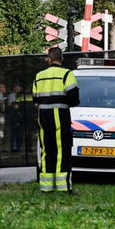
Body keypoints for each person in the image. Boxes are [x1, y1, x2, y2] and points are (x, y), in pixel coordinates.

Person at [33, 47, 80, 193]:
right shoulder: (67, 74)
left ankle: (46, 187)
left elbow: (35, 98)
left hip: (43, 116)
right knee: (62, 150)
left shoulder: (39, 76)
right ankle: (63, 187)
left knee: (46, 150)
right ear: (61, 59)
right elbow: (74, 98)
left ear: (49, 59)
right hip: (60, 115)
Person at [7, 84, 28, 153]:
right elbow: (14, 106)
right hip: (14, 116)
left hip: (20, 117)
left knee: (20, 134)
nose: (18, 88)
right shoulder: (12, 96)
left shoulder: (21, 95)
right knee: (14, 133)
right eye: (16, 87)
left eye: (19, 87)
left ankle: (18, 147)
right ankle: (14, 148)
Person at [0, 83, 9, 148]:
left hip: (3, 113)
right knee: (0, 129)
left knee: (1, 129)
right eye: (1, 87)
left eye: (4, 87)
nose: (3, 89)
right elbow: (1, 102)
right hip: (0, 113)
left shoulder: (4, 94)